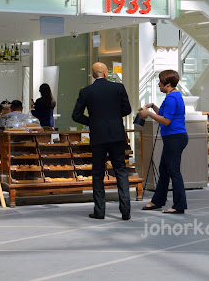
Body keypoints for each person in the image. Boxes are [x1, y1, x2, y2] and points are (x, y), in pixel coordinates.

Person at [72, 62, 132, 220]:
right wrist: (113, 116)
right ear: (106, 73)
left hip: (98, 136)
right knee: (120, 170)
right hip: (117, 134)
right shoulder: (118, 88)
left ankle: (99, 211)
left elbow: (76, 115)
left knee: (98, 173)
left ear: (93, 75)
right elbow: (127, 110)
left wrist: (93, 121)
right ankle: (125, 210)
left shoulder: (86, 91)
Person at [138, 69, 188, 214]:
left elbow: (166, 121)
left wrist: (148, 114)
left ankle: (179, 205)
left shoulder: (172, 98)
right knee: (164, 170)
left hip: (174, 138)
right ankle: (157, 201)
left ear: (167, 84)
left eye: (160, 82)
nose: (158, 85)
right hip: (174, 137)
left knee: (174, 171)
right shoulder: (174, 96)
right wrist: (153, 107)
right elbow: (166, 114)